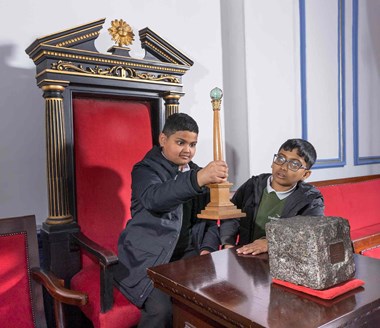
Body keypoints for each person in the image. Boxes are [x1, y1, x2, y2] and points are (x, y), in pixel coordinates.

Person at [114, 113, 228, 328]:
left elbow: (210, 220)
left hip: (188, 255)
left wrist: (207, 248)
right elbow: (155, 199)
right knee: (161, 311)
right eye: (180, 142)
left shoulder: (197, 172)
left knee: (216, 300)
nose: (188, 150)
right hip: (150, 258)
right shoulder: (145, 170)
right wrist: (198, 179)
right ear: (163, 140)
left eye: (193, 144)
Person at [220, 138, 324, 255]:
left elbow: (309, 235)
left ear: (305, 174)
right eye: (280, 158)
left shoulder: (310, 200)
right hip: (245, 256)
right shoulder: (253, 185)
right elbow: (231, 216)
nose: (283, 167)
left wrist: (271, 242)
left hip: (285, 262)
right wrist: (228, 243)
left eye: (294, 164)